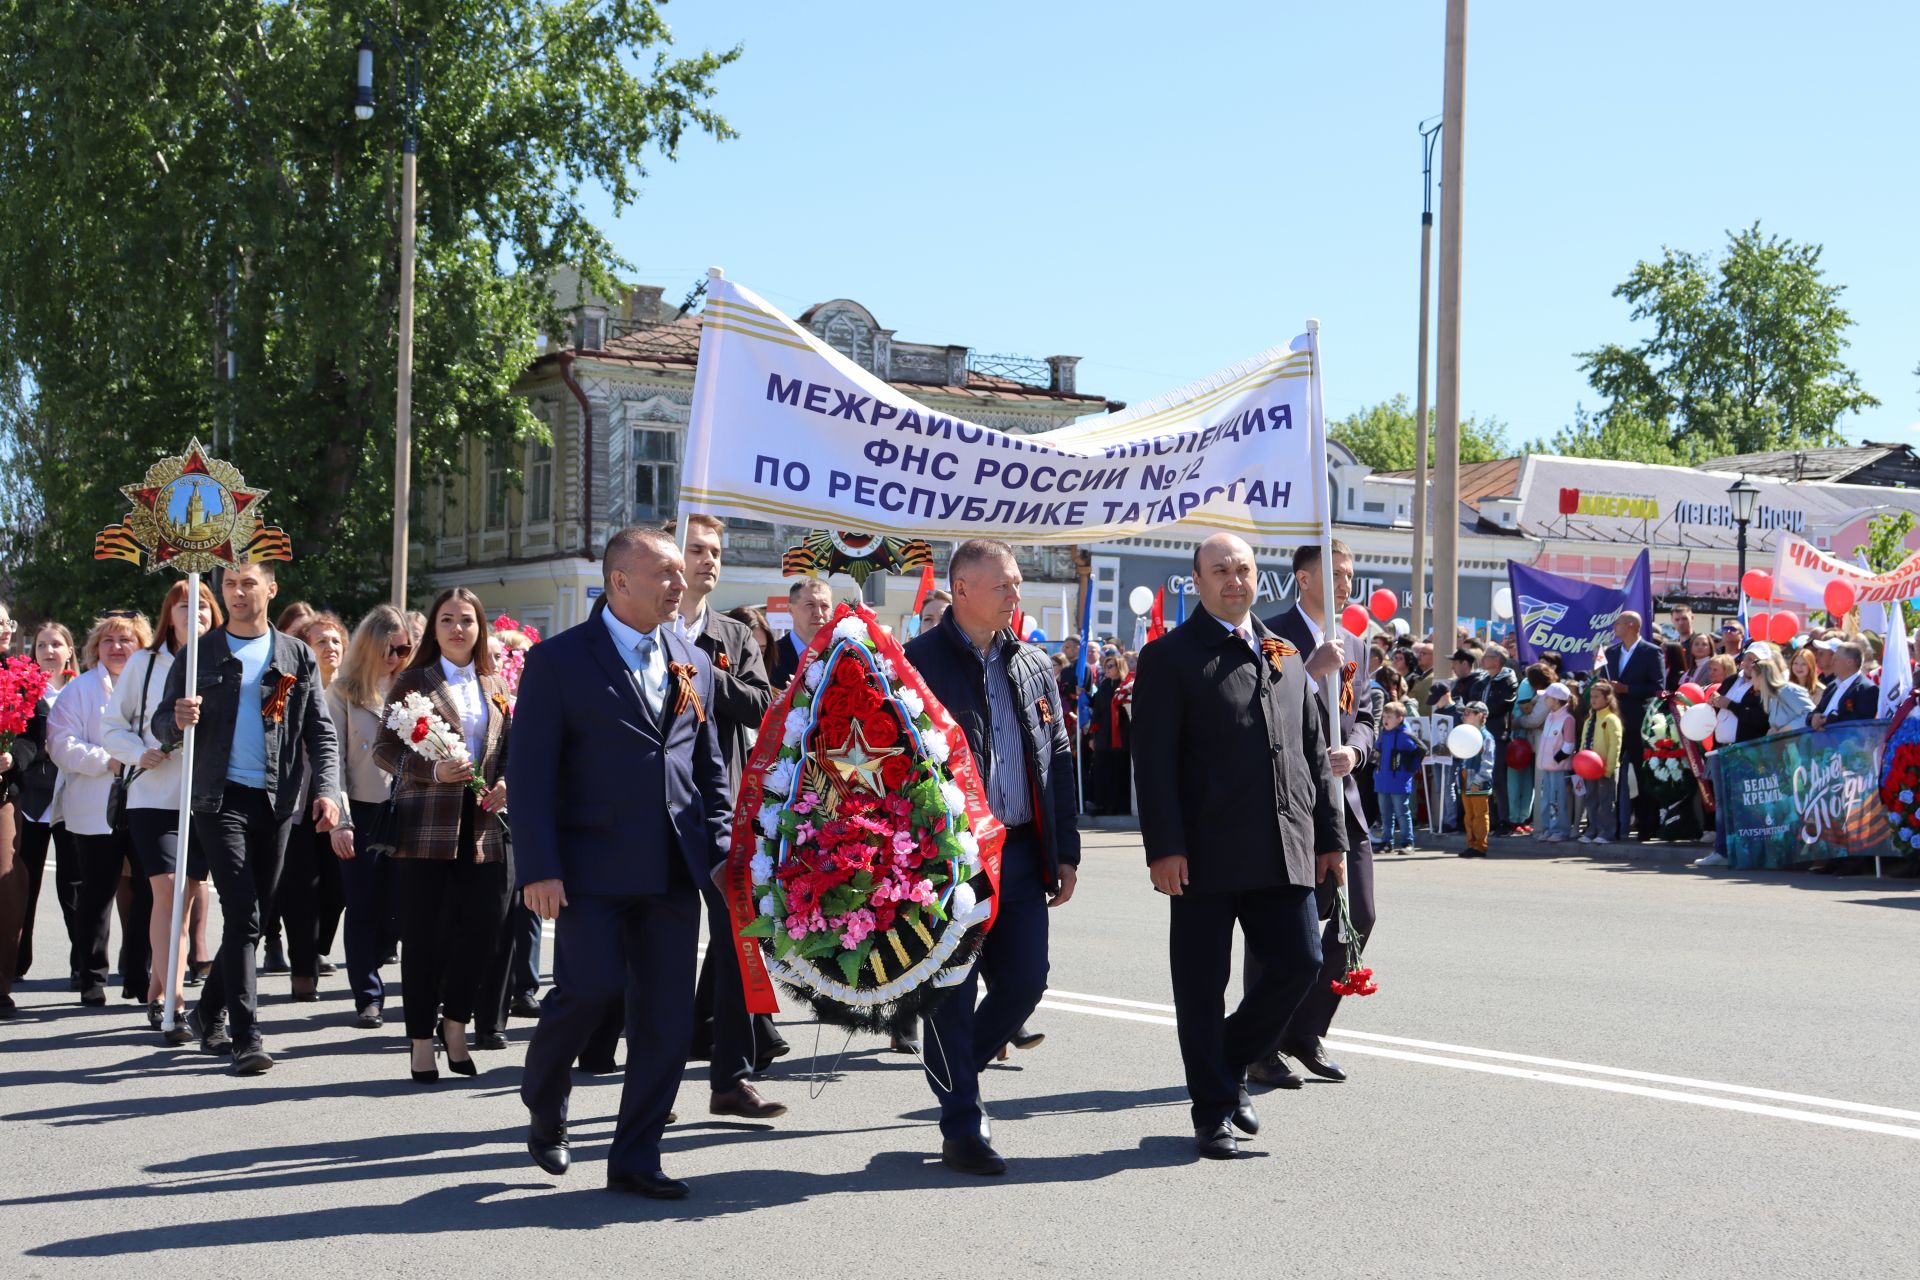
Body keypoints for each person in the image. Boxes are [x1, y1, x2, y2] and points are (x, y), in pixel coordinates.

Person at [513, 526, 732, 1201]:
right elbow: (530, 774)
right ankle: (545, 1101)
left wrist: (722, 849)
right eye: (664, 572)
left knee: (665, 1020)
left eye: (679, 573)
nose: (679, 583)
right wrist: (538, 867)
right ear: (619, 581)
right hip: (591, 868)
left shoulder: (689, 656)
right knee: (587, 994)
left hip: (673, 867)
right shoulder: (559, 661)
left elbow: (707, 765)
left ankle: (636, 1157)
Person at [1132, 533, 1344, 1159]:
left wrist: (1329, 836)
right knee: (1202, 986)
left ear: (1260, 578)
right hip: (1202, 853)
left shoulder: (1283, 653)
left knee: (1301, 962)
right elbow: (1154, 765)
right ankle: (1213, 1111)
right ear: (1195, 581)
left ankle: (1224, 1059)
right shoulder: (1170, 657)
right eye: (1219, 570)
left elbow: (1312, 751)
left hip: (1285, 845)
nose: (1233, 580)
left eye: (1243, 569)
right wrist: (1164, 847)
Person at [902, 538, 1079, 1175]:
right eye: (1003, 585)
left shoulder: (1033, 665)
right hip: (949, 858)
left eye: (1017, 583)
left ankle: (950, 1065)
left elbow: (1057, 757)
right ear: (964, 591)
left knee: (1028, 978)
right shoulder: (913, 664)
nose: (1015, 594)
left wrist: (1068, 848)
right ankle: (962, 1126)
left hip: (1024, 850)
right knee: (953, 988)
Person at [158, 562, 340, 1075]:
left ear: (271, 589)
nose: (237, 593)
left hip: (278, 800)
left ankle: (208, 1011)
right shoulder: (201, 653)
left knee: (253, 918)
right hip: (218, 799)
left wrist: (326, 791)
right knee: (243, 912)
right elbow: (159, 723)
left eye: (248, 584)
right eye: (230, 585)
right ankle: (247, 1036)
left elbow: (320, 733)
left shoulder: (295, 654)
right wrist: (177, 719)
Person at [371, 587, 512, 1084]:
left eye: (467, 620)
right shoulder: (413, 681)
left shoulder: (496, 682)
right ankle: (420, 1041)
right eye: (448, 619)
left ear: (480, 629)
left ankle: (456, 1024)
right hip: (425, 830)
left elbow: (514, 747)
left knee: (483, 931)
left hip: (485, 831)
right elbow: (383, 752)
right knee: (425, 938)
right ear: (433, 628)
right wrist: (432, 773)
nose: (458, 629)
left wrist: (505, 785)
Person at [677, 514, 788, 1118]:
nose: (708, 561)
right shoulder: (634, 624)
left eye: (715, 551)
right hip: (655, 810)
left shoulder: (732, 634)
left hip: (722, 807)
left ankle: (732, 1079)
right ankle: (655, 1081)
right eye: (696, 549)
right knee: (659, 951)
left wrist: (704, 670)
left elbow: (763, 704)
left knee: (738, 941)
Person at [1257, 538, 1376, 1088]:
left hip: (1343, 798)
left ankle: (1305, 1031)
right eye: (1336, 573)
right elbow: (1263, 704)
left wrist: (1356, 750)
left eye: (1350, 573)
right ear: (1304, 578)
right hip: (1293, 802)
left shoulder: (1354, 639)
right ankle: (1260, 1044)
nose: (1347, 582)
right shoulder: (1271, 633)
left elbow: (1365, 714)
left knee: (1361, 917)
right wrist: (1308, 670)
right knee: (1282, 929)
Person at [101, 582, 220, 1032]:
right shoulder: (144, 664)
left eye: (204, 608)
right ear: (169, 614)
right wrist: (139, 751)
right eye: (185, 607)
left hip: (206, 798)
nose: (196, 615)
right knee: (167, 890)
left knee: (187, 900)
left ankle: (158, 985)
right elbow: (111, 725)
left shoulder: (223, 661)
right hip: (154, 795)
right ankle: (173, 999)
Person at [51, 611, 157, 1008]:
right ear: (96, 648)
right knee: (96, 895)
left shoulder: (153, 686)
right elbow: (61, 744)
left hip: (147, 803)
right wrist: (110, 760)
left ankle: (138, 973)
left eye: (126, 640)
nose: (117, 647)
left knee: (148, 891)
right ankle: (92, 977)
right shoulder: (77, 692)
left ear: (141, 646)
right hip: (95, 806)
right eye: (109, 641)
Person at [324, 605, 407, 1029]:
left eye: (403, 649)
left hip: (409, 808)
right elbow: (332, 759)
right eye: (388, 649)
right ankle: (368, 996)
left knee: (401, 905)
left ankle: (406, 979)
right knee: (362, 905)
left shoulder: (415, 688)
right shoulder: (342, 691)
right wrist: (340, 818)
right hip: (361, 808)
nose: (395, 658)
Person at [279, 612, 350, 1002]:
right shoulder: (291, 686)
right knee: (301, 887)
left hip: (341, 802)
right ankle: (302, 969)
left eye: (336, 640)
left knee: (337, 887)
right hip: (296, 801)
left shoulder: (353, 691)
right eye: (321, 641)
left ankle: (317, 947)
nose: (330, 647)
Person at [11, 620, 81, 991]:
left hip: (74, 801)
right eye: (41, 646)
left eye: (56, 644)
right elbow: (20, 740)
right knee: (26, 884)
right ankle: (16, 960)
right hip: (33, 800)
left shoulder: (84, 690)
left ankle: (83, 964)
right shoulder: (24, 690)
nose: (49, 652)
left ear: (70, 650)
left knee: (74, 885)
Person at [1603, 612, 1664, 842]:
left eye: (1617, 622)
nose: (1614, 626)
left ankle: (1647, 824)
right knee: (1613, 773)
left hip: (1638, 721)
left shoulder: (1651, 652)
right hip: (1613, 720)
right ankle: (1614, 826)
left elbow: (1657, 686)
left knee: (1642, 774)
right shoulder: (1611, 652)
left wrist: (1627, 689)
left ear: (1630, 626)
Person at [1087, 649, 1134, 815]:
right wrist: (1092, 736)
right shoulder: (1105, 686)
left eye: (1111, 666)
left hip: (1122, 737)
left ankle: (1120, 805)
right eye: (1106, 666)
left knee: (1119, 772)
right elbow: (1097, 711)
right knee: (1102, 771)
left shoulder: (1127, 685)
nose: (1107, 669)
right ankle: (1103, 804)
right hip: (1104, 737)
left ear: (1119, 666)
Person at [1574, 683, 1622, 846]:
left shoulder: (1611, 720)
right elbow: (1583, 743)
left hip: (1604, 768)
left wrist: (1609, 768)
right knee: (1591, 800)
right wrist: (1580, 763)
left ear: (1607, 698)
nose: (1592, 700)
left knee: (1606, 801)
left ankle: (1606, 832)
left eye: (1596, 697)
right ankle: (1592, 830)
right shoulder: (1589, 719)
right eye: (1591, 697)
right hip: (1589, 769)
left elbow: (1615, 746)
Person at [1479, 647, 1519, 833]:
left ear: (1497, 661)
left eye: (1487, 656)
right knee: (1484, 777)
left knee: (1498, 779)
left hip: (1498, 734)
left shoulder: (1507, 680)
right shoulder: (1484, 680)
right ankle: (1490, 820)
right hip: (1483, 733)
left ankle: (1504, 820)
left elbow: (1502, 704)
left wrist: (1482, 712)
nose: (1483, 659)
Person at [1374, 701, 1421, 856]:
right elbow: (1378, 751)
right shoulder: (1384, 733)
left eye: (1389, 717)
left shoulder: (1405, 735)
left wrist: (1407, 773)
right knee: (1385, 814)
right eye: (1384, 716)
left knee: (1402, 813)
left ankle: (1408, 842)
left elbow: (1420, 751)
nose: (1385, 720)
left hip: (1399, 782)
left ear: (1400, 718)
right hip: (1383, 781)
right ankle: (1387, 842)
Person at [769, 577, 833, 690]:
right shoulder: (771, 656)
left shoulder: (841, 654)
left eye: (824, 606)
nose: (818, 613)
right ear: (790, 609)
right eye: (810, 605)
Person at [1532, 683, 1576, 844]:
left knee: (1558, 800)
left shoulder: (1567, 719)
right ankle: (1548, 828)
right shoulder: (1550, 717)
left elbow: (1569, 745)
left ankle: (1560, 830)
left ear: (1556, 700)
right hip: (1547, 768)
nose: (1544, 699)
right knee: (1546, 799)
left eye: (1547, 697)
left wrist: (1555, 759)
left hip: (1558, 769)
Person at [1456, 700, 1496, 856]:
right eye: (1464, 713)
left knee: (1480, 814)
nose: (1464, 716)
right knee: (1469, 814)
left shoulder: (1486, 737)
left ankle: (1480, 845)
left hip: (1479, 779)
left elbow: (1488, 761)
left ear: (1481, 716)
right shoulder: (1466, 734)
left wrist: (1479, 779)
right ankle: (1471, 844)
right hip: (1466, 775)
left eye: (1468, 713)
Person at [1810, 641, 1876, 730]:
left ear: (1849, 662)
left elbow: (1860, 721)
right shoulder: (1832, 686)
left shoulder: (1867, 689)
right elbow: (1817, 710)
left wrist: (1828, 720)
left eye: (1835, 659)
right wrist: (1814, 717)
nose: (1831, 662)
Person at [1752, 642, 1813, 735]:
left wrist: (1783, 731)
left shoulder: (1787, 690)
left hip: (1804, 744)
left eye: (1753, 677)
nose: (1751, 681)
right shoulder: (1773, 697)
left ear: (1761, 677)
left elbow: (1810, 713)